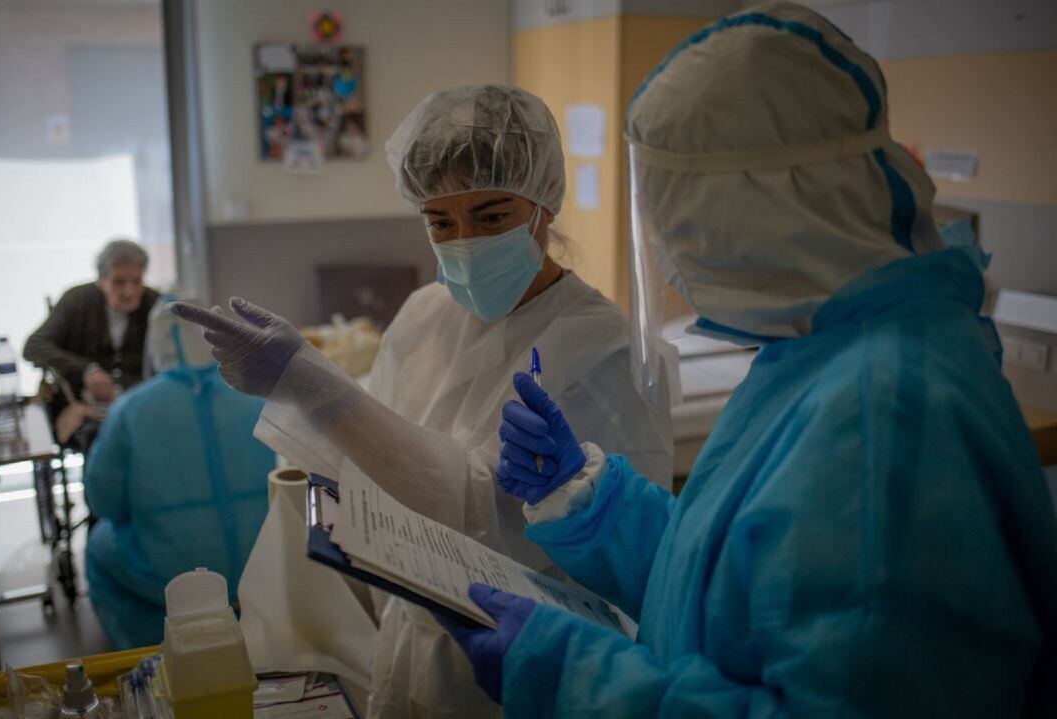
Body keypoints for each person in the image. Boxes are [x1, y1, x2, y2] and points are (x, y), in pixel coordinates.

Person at [440, 4, 1057, 717]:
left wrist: (570, 674)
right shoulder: (822, 348)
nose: (673, 253)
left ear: (761, 210)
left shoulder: (885, 416)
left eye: (681, 218)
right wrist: (590, 499)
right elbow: (733, 575)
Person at [171, 84, 673, 718]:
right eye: (440, 221)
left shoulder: (600, 347)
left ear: (546, 201)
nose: (464, 242)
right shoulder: (425, 313)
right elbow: (364, 459)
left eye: (491, 217)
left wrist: (312, 382)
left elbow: (476, 511)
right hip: (413, 635)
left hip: (538, 655)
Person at [84, 298, 275, 649]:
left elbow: (104, 501)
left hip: (173, 577)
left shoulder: (130, 410)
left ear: (154, 346)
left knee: (98, 545)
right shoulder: (256, 396)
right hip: (265, 567)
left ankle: (148, 652)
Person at [24, 239, 159, 451]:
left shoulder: (156, 304)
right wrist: (86, 370)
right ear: (101, 281)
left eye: (136, 281)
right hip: (84, 406)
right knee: (103, 438)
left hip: (140, 402)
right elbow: (34, 346)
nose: (129, 292)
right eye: (119, 282)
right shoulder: (77, 300)